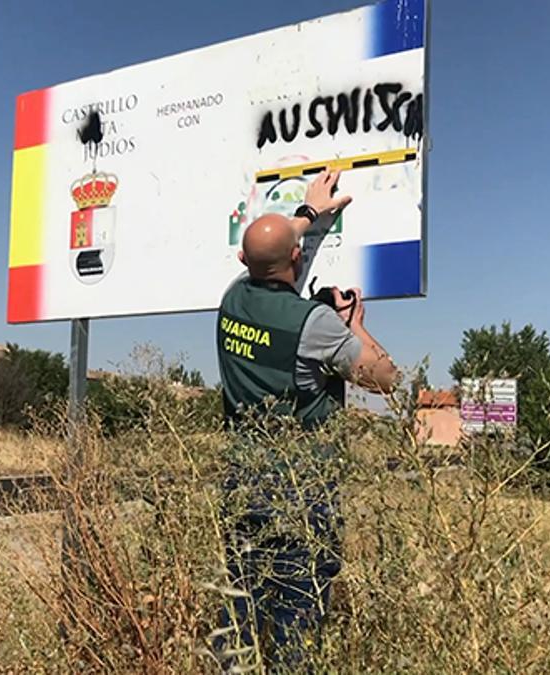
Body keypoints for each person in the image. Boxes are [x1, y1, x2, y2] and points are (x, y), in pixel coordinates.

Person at [213, 169, 398, 670]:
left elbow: (280, 254)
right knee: (299, 609)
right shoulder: (313, 324)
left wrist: (310, 213)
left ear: (242, 261)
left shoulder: (232, 299)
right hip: (300, 492)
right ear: (295, 260)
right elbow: (385, 378)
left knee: (242, 601)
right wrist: (355, 328)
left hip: (242, 482)